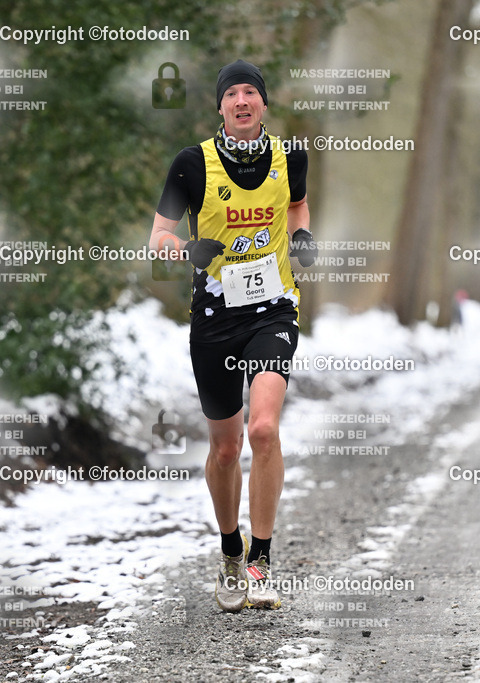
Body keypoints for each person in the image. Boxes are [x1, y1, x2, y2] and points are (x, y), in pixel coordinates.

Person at [149, 59, 315, 612]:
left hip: (273, 311)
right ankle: (229, 551)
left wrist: (303, 235)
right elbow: (159, 237)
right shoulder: (190, 164)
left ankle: (261, 559)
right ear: (219, 106)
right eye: (232, 94)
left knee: (264, 429)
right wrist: (180, 249)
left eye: (252, 92)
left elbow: (295, 204)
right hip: (216, 320)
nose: (242, 101)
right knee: (226, 449)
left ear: (264, 104)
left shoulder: (291, 156)